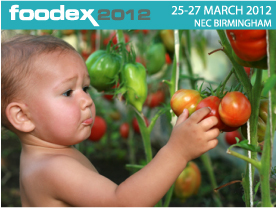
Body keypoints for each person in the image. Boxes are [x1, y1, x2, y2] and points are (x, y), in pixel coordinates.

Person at [1, 34, 219, 207]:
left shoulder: (45, 158)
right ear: (22, 116)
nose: (87, 100)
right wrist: (177, 152)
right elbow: (123, 203)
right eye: (68, 92)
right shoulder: (53, 168)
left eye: (85, 88)